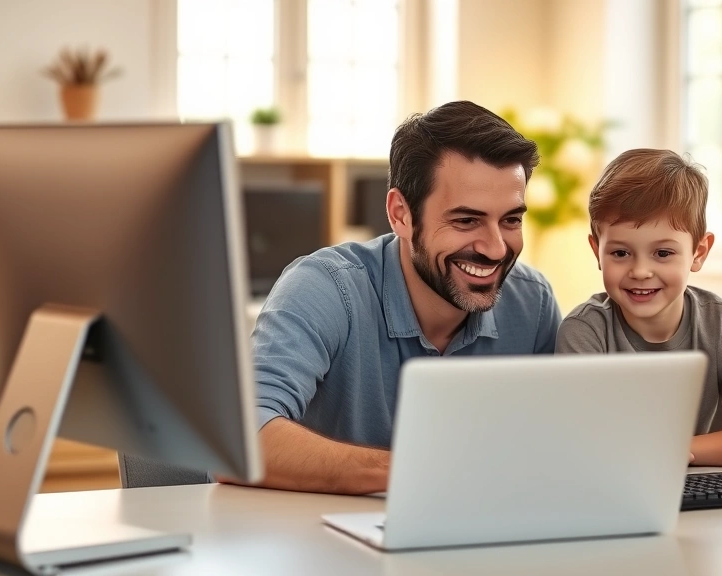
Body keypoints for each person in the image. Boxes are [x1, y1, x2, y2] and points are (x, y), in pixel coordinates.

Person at [232, 101, 562, 494]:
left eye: (510, 220)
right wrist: (420, 472)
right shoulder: (324, 289)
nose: (494, 248)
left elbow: (557, 448)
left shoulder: (533, 304)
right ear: (401, 214)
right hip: (317, 544)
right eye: (466, 220)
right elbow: (240, 440)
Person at [556, 149, 722, 467]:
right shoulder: (584, 331)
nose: (641, 271)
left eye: (662, 253)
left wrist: (674, 451)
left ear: (698, 252)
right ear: (597, 251)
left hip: (717, 494)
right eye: (620, 253)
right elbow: (582, 448)